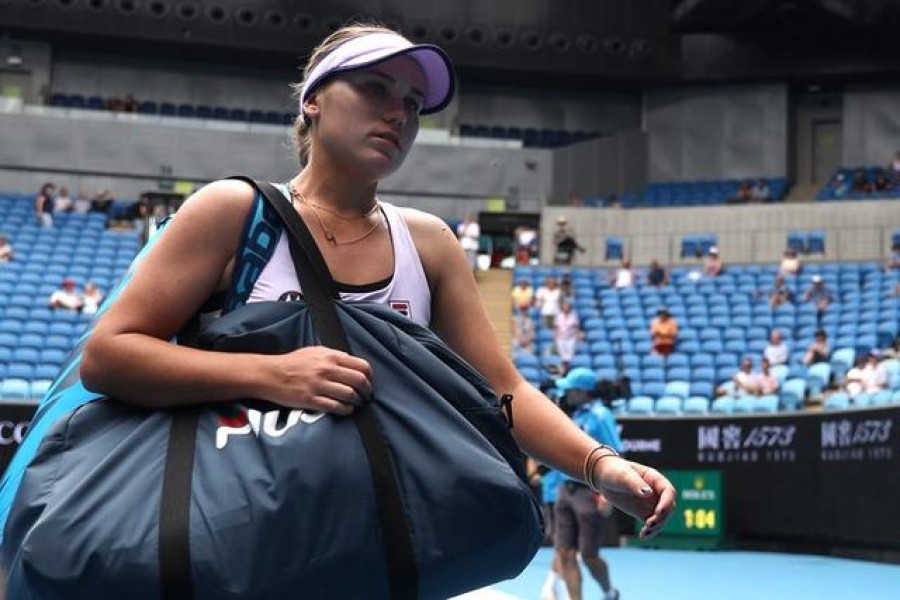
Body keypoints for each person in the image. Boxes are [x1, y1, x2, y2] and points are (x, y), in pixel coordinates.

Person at [79, 23, 676, 579]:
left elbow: (503, 391)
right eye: (374, 89)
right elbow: (108, 356)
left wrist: (601, 465)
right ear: (313, 100)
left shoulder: (430, 244)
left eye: (413, 104)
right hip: (244, 550)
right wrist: (271, 374)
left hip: (373, 552)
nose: (399, 113)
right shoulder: (234, 213)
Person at [549, 367, 622, 600]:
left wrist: (608, 493)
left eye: (570, 390)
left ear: (582, 392)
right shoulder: (572, 415)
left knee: (589, 555)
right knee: (564, 552)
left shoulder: (601, 415)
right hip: (565, 490)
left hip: (590, 492)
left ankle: (609, 592)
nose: (566, 394)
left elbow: (615, 454)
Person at [553, 299, 581, 375]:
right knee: (562, 354)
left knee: (569, 355)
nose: (565, 308)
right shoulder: (558, 316)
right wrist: (554, 337)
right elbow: (555, 327)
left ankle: (568, 369)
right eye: (564, 307)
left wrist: (578, 336)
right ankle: (563, 369)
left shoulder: (573, 316)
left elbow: (576, 327)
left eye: (567, 307)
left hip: (570, 338)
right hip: (560, 337)